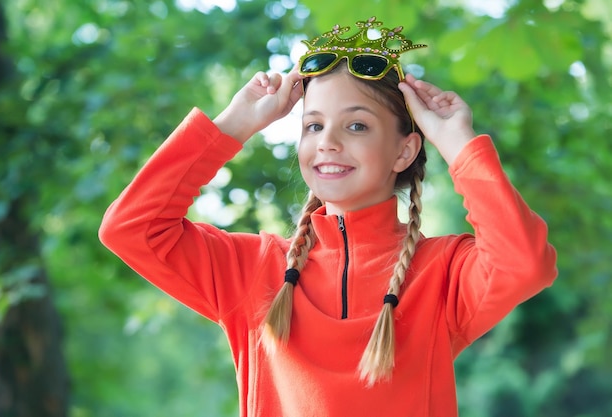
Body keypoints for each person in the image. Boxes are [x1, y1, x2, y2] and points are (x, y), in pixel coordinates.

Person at [99, 17, 557, 417]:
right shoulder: (250, 270)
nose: (328, 142)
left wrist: (458, 143)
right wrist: (232, 125)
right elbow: (131, 229)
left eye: (356, 125)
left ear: (405, 150)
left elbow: (525, 263)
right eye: (313, 125)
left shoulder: (444, 273)